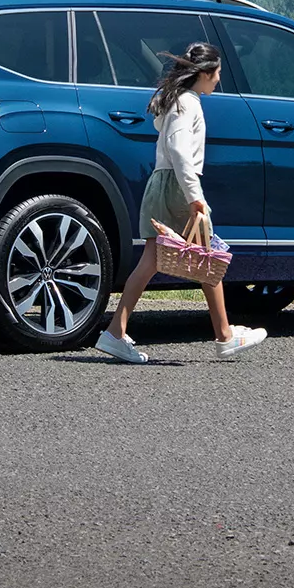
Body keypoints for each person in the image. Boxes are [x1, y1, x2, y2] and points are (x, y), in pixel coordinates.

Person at [94, 42, 267, 364]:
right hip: (177, 184)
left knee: (152, 261)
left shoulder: (176, 101)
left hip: (161, 182)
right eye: (216, 74)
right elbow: (179, 150)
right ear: (202, 74)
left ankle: (116, 332)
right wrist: (195, 197)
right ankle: (225, 336)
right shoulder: (188, 103)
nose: (218, 80)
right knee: (208, 258)